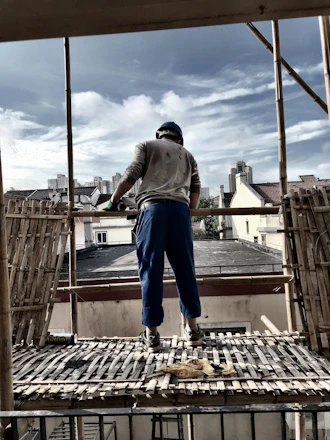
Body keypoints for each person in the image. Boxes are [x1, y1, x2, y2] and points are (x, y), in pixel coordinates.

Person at [108, 122, 203, 352]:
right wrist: (186, 214)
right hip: (180, 213)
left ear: (160, 135)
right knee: (185, 271)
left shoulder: (146, 145)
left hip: (152, 211)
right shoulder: (188, 155)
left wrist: (113, 202)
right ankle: (192, 331)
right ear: (179, 139)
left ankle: (152, 335)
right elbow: (196, 190)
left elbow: (131, 175)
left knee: (151, 271)